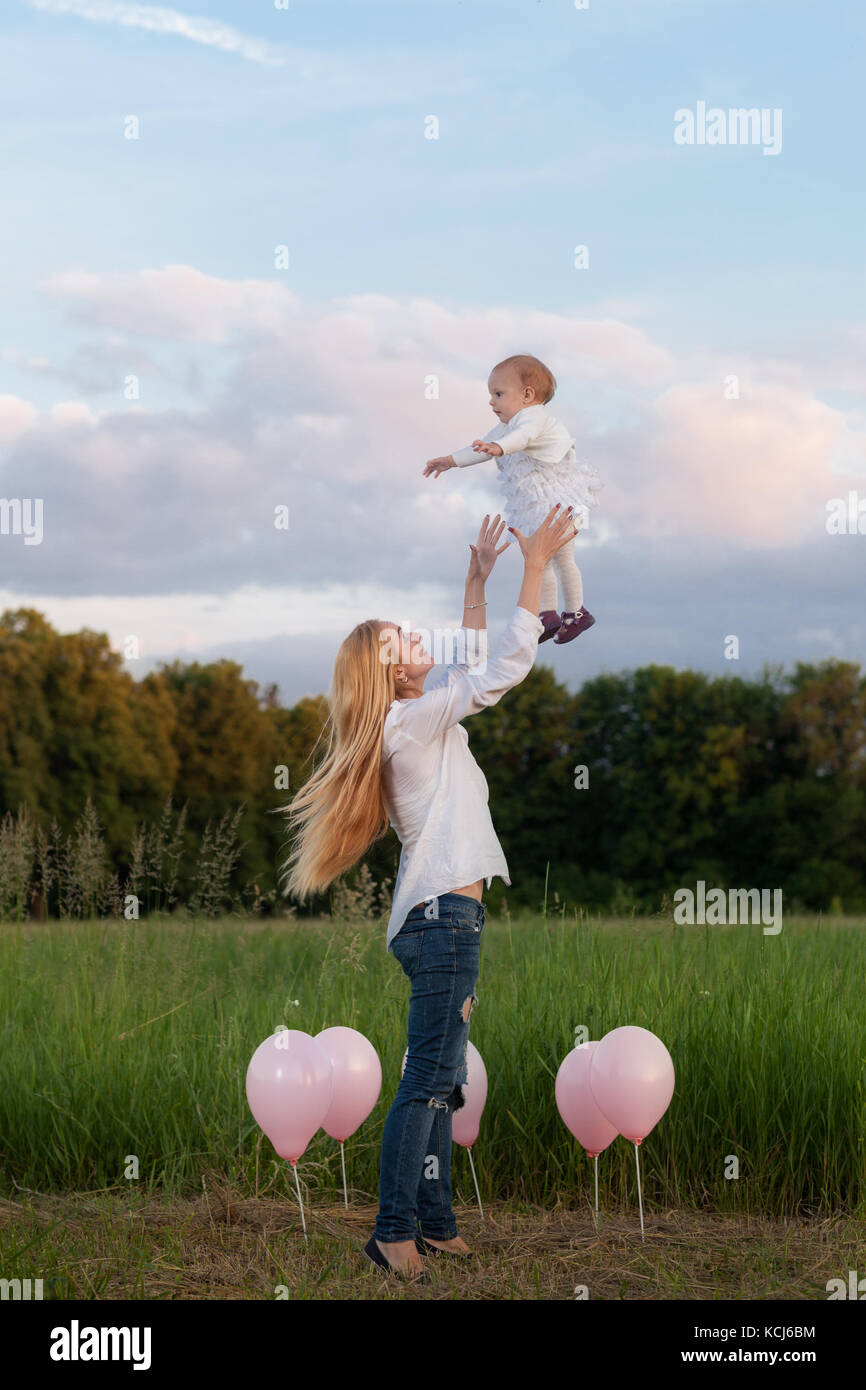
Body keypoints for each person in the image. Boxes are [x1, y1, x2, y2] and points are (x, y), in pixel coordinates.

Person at [279, 504, 580, 1282]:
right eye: (402, 642)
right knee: (426, 1084)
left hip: (444, 915)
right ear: (389, 672)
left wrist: (476, 580)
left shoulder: (417, 717)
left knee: (443, 1076)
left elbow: (469, 660)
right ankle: (393, 1230)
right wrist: (534, 566)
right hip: (444, 916)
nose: (419, 643)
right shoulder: (409, 725)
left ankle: (436, 1220)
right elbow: (501, 671)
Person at [424, 353, 602, 643]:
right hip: (540, 504)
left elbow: (523, 438)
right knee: (537, 559)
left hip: (560, 500)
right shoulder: (510, 425)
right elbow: (481, 447)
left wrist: (498, 446)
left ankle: (577, 612)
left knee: (562, 558)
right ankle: (548, 615)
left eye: (498, 393)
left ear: (527, 394)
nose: (492, 402)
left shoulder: (533, 418)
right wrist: (451, 461)